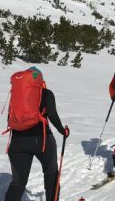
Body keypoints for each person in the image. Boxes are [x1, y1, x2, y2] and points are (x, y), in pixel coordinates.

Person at [4, 67, 70, 201]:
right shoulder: (46, 93)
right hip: (42, 140)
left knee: (18, 182)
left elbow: (11, 118)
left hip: (17, 141)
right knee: (51, 173)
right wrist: (63, 131)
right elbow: (52, 115)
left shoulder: (16, 96)